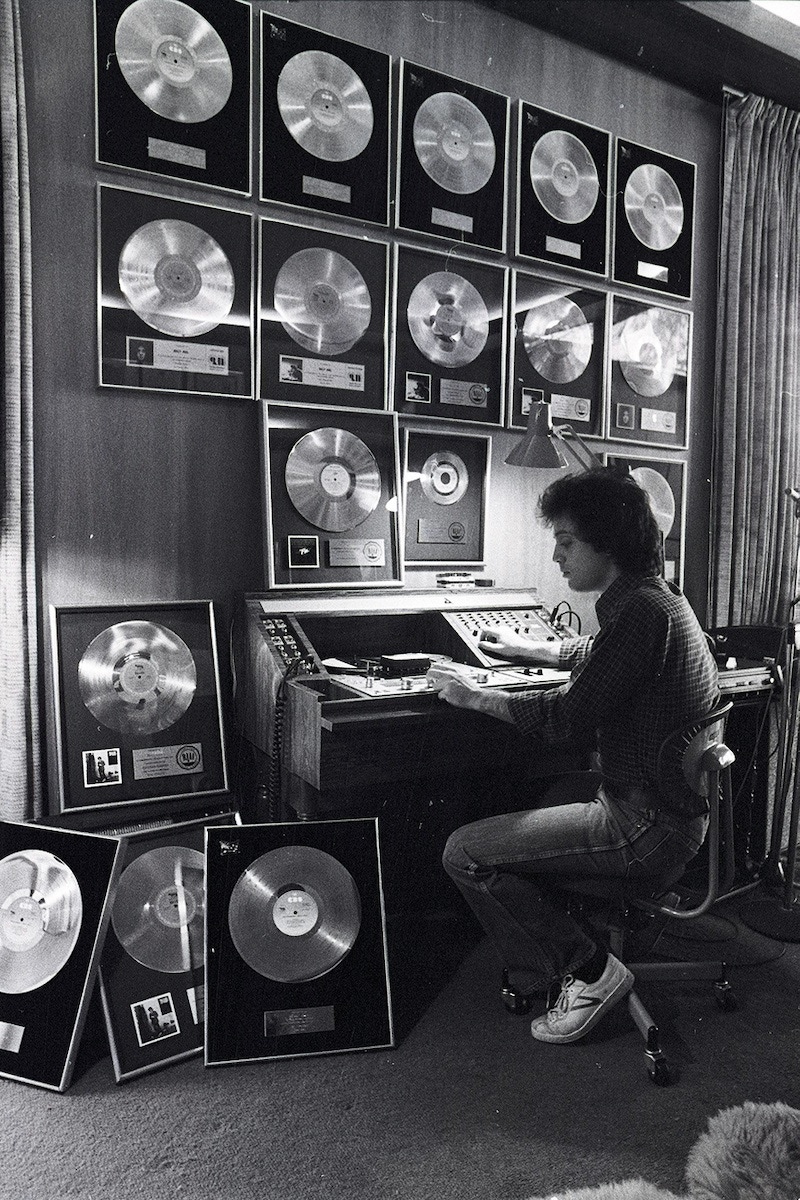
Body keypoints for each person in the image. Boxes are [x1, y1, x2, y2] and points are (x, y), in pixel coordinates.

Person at [427, 467, 720, 1045]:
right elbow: (602, 655)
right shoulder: (657, 601)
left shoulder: (639, 613)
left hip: (643, 828)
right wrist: (531, 646)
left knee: (463, 852)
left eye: (566, 542)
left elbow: (565, 719)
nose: (557, 557)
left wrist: (473, 693)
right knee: (543, 795)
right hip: (671, 815)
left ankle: (586, 970)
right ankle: (573, 942)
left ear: (605, 544)